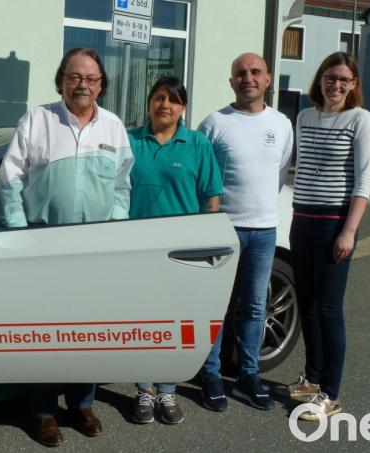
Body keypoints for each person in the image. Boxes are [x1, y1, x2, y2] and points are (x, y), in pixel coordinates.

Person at [0, 48, 134, 446]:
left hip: (95, 250)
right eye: (75, 77)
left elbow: (123, 187)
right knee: (43, 331)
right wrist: (20, 235)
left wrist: (116, 232)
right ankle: (42, 412)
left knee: (88, 330)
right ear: (61, 81)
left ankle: (81, 404)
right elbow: (10, 180)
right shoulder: (37, 120)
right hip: (43, 244)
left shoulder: (112, 127)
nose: (83, 85)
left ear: (101, 84)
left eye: (91, 79)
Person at [275, 52, 370, 421]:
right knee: (310, 305)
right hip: (302, 221)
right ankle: (312, 380)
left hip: (335, 224)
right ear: (320, 80)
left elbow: (363, 181)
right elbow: (294, 171)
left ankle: (329, 394)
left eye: (344, 80)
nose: (336, 85)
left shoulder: (360, 120)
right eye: (331, 78)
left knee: (330, 309)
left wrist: (349, 231)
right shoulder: (304, 116)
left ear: (353, 86)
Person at [197, 52, 293, 412]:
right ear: (231, 81)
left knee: (255, 307)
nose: (248, 78)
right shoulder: (214, 123)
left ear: (268, 79)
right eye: (241, 73)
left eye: (255, 72)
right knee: (216, 306)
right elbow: (203, 176)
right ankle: (211, 375)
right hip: (224, 229)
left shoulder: (282, 124)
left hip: (265, 231)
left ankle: (249, 376)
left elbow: (279, 173)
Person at [127, 75, 222, 425]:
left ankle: (167, 390)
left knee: (174, 322)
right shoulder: (130, 140)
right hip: (137, 248)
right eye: (158, 97)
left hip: (181, 250)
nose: (165, 105)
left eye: (173, 99)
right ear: (149, 102)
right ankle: (143, 391)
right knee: (143, 321)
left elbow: (212, 195)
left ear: (182, 107)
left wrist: (206, 243)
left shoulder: (196, 143)